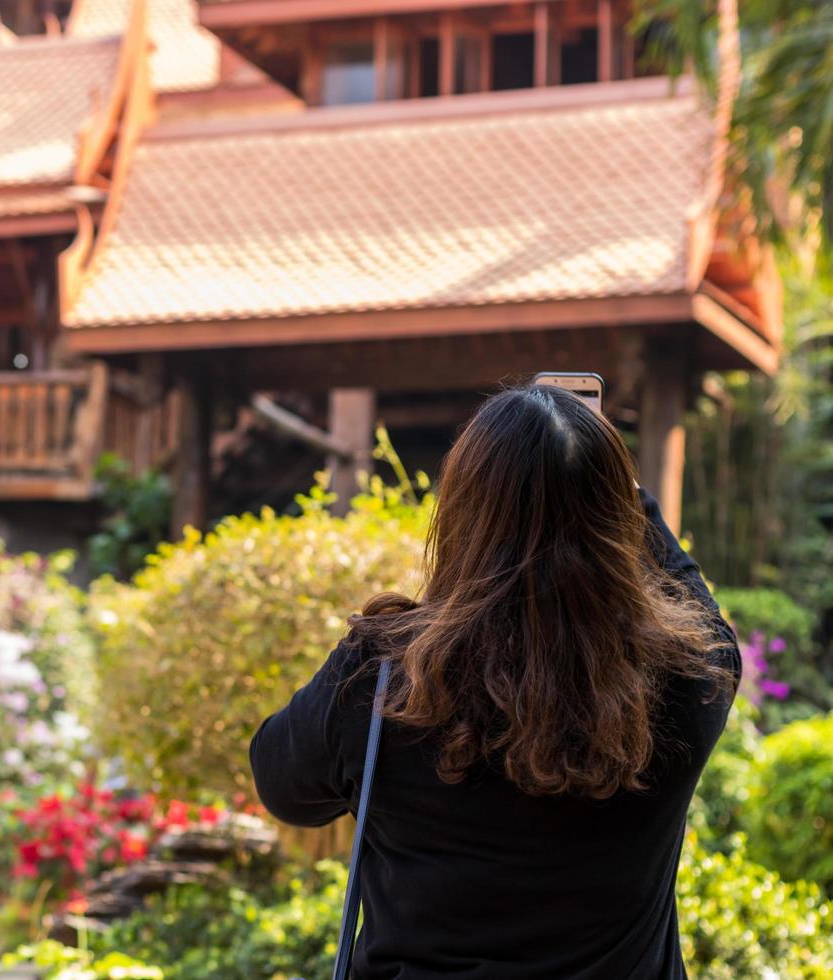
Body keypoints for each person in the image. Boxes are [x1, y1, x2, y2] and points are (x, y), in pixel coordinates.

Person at [250, 384, 739, 979]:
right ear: (617, 521)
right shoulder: (685, 680)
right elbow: (701, 612)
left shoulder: (380, 675)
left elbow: (283, 788)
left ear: (458, 512)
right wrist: (631, 500)